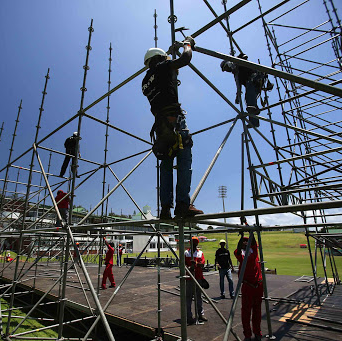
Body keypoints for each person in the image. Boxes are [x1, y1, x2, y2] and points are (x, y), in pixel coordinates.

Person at [142, 36, 203, 219]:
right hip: (175, 121)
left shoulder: (144, 82)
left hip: (161, 128)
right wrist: (187, 44)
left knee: (166, 165)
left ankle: (165, 210)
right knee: (184, 160)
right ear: (159, 58)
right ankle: (183, 205)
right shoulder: (162, 68)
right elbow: (185, 59)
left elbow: (164, 83)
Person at [220, 53, 273, 128]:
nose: (228, 70)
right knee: (248, 101)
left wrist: (237, 60)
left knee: (249, 95)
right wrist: (237, 97)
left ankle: (254, 112)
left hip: (255, 77)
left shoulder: (237, 63)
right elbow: (239, 87)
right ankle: (254, 122)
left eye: (226, 68)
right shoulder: (237, 74)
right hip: (253, 84)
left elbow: (244, 56)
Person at [234, 233, 263, 341]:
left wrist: (249, 229)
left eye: (247, 241)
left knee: (257, 311)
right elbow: (237, 250)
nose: (246, 243)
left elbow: (254, 241)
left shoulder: (254, 250)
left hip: (258, 286)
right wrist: (241, 237)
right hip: (248, 286)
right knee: (246, 312)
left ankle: (258, 332)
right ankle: (247, 335)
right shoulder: (239, 253)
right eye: (244, 242)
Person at [185, 236, 208, 325]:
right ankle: (189, 316)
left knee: (199, 297)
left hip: (198, 277)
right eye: (192, 242)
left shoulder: (200, 253)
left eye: (195, 242)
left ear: (197, 243)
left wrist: (196, 264)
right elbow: (183, 265)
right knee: (189, 298)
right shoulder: (186, 253)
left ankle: (200, 314)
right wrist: (190, 267)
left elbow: (202, 264)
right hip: (189, 278)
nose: (194, 244)